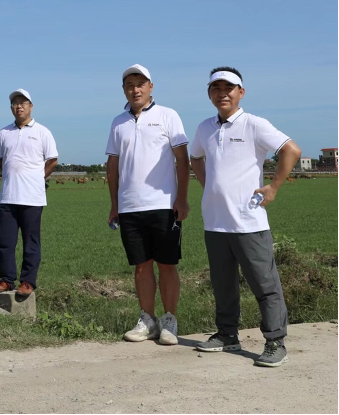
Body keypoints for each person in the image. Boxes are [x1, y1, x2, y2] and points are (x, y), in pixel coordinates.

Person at [190, 67, 300, 367]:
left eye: (229, 87)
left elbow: (291, 149)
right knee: (223, 284)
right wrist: (209, 185)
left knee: (265, 285)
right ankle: (227, 335)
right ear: (210, 93)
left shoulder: (254, 124)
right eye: (216, 88)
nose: (222, 93)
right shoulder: (204, 128)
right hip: (215, 222)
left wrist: (274, 187)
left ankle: (275, 342)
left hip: (249, 221)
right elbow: (195, 157)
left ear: (241, 92)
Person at [105, 64, 190, 346]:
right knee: (141, 266)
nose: (135, 89)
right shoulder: (118, 122)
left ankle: (169, 320)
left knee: (167, 264)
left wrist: (182, 198)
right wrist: (114, 204)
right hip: (130, 206)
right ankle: (147, 320)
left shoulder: (168, 116)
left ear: (151, 86)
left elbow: (182, 159)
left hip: (164, 205)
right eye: (130, 84)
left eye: (140, 83)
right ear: (124, 90)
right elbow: (113, 165)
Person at [0, 89, 59, 298]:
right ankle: (6, 280)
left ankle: (27, 281)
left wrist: (38, 178)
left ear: (31, 106)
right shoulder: (3, 133)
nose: (18, 106)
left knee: (31, 241)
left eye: (23, 103)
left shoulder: (42, 132)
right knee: (5, 240)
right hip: (8, 196)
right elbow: (0, 160)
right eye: (15, 103)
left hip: (32, 197)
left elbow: (52, 159)